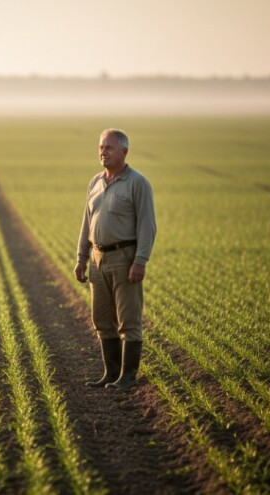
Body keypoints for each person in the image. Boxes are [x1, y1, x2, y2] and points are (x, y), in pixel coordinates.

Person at [74, 129, 156, 390]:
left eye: (109, 147)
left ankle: (128, 377)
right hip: (98, 259)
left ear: (124, 151)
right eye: (101, 147)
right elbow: (86, 223)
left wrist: (140, 261)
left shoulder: (137, 183)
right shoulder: (95, 182)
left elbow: (147, 226)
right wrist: (81, 258)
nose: (103, 152)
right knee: (102, 320)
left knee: (128, 321)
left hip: (124, 258)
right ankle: (111, 373)